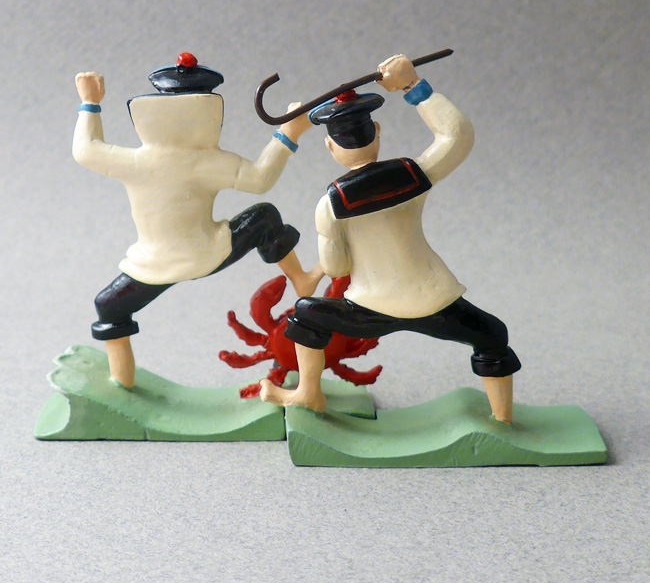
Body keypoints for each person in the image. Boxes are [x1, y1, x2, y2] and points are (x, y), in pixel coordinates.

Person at [260, 54, 520, 423]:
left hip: (371, 307)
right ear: (378, 131)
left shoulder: (329, 205)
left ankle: (308, 393)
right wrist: (413, 86)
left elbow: (336, 268)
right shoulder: (414, 173)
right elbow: (458, 136)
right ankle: (503, 418)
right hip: (434, 299)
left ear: (330, 147)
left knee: (306, 315)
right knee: (492, 335)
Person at [73, 53, 322, 388]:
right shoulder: (206, 160)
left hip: (155, 264)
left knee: (108, 307)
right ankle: (300, 278)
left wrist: (90, 103)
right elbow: (261, 178)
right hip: (203, 255)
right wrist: (289, 133)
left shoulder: (138, 161)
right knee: (264, 217)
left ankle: (121, 381)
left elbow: (86, 150)